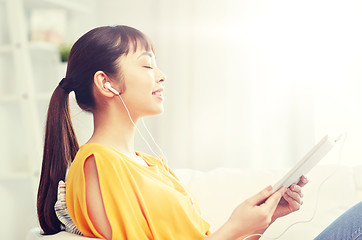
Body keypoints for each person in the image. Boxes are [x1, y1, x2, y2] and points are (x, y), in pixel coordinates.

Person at [37, 25, 361, 240]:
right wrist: (236, 225)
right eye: (148, 65)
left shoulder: (150, 164)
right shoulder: (99, 163)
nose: (162, 76)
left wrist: (261, 221)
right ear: (106, 83)